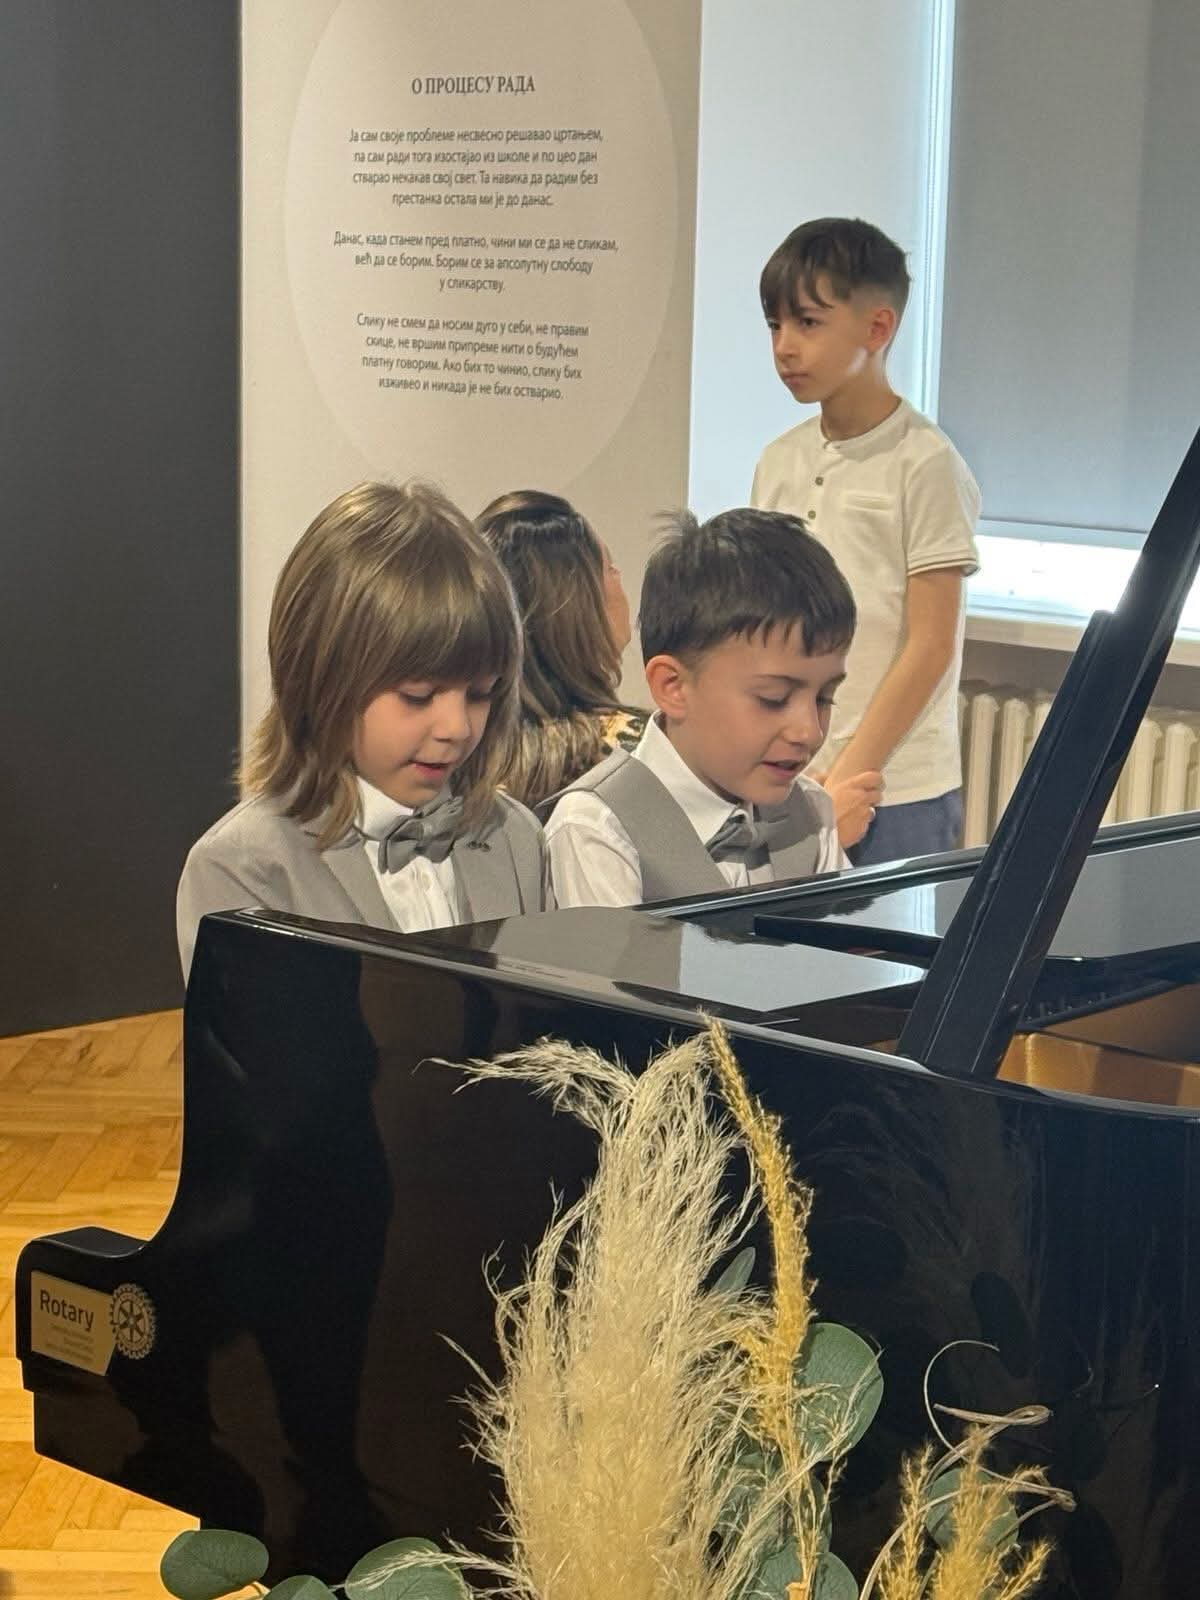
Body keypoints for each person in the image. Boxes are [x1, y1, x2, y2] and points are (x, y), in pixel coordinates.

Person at [177, 480, 547, 978]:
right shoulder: (244, 869)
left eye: (481, 693)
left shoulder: (515, 837)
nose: (457, 727)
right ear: (322, 678)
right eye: (418, 695)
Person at [751, 217, 981, 864]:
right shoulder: (778, 460)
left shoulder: (925, 463)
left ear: (877, 329)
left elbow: (931, 644)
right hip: (790, 772)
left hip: (895, 790)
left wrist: (853, 770)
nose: (785, 347)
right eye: (774, 325)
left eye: (808, 323)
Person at [542, 507, 874, 907]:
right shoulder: (597, 830)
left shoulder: (811, 811)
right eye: (773, 698)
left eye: (823, 698)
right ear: (673, 687)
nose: (809, 731)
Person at [476, 490, 647, 810]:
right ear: (579, 605)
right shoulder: (643, 751)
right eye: (610, 568)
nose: (619, 578)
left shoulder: (461, 757)